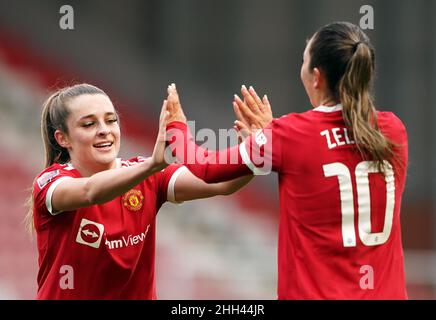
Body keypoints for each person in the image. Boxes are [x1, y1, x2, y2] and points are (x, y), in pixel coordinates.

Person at [165, 22, 409, 299]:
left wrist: (175, 128)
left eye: (303, 60)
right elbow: (328, 150)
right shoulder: (393, 130)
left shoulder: (290, 136)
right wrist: (271, 137)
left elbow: (206, 168)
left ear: (316, 77)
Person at [26, 83, 252, 299]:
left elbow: (222, 184)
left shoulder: (147, 176)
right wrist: (151, 165)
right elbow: (90, 191)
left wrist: (257, 151)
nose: (104, 131)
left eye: (111, 120)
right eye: (88, 124)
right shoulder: (50, 182)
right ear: (62, 138)